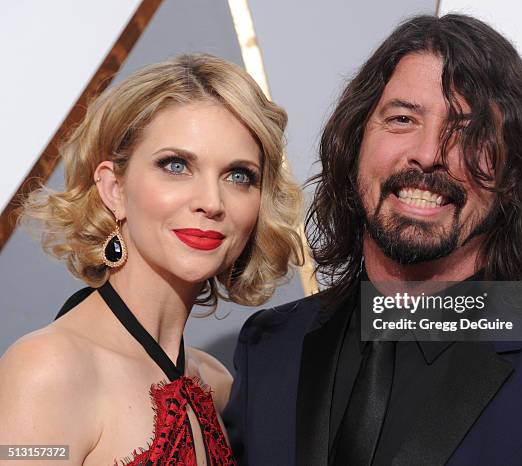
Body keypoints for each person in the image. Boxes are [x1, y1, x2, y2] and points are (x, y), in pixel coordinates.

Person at [222, 14, 522, 466]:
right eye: (403, 118)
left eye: (468, 131)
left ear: (512, 172)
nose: (428, 154)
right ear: (355, 143)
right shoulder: (270, 349)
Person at [0, 54, 303, 465]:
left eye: (238, 176)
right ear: (114, 189)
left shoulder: (216, 384)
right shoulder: (47, 372)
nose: (211, 203)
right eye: (176, 166)